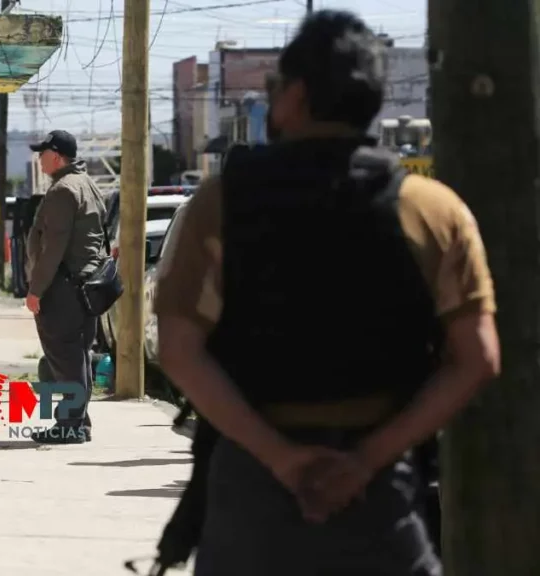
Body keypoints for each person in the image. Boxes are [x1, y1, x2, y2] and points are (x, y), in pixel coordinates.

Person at [156, 10, 500, 576]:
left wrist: (282, 460)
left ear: (294, 96)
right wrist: (364, 462)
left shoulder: (220, 204)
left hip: (251, 492)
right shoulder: (433, 211)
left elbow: (178, 350)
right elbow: (478, 358)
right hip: (380, 492)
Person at [25, 130, 106, 444]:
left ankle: (69, 425)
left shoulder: (63, 190)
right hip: (85, 286)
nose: (39, 158)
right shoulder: (88, 184)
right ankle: (78, 423)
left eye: (43, 153)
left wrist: (36, 290)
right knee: (77, 355)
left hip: (63, 288)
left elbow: (53, 248)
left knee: (65, 356)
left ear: (56, 156)